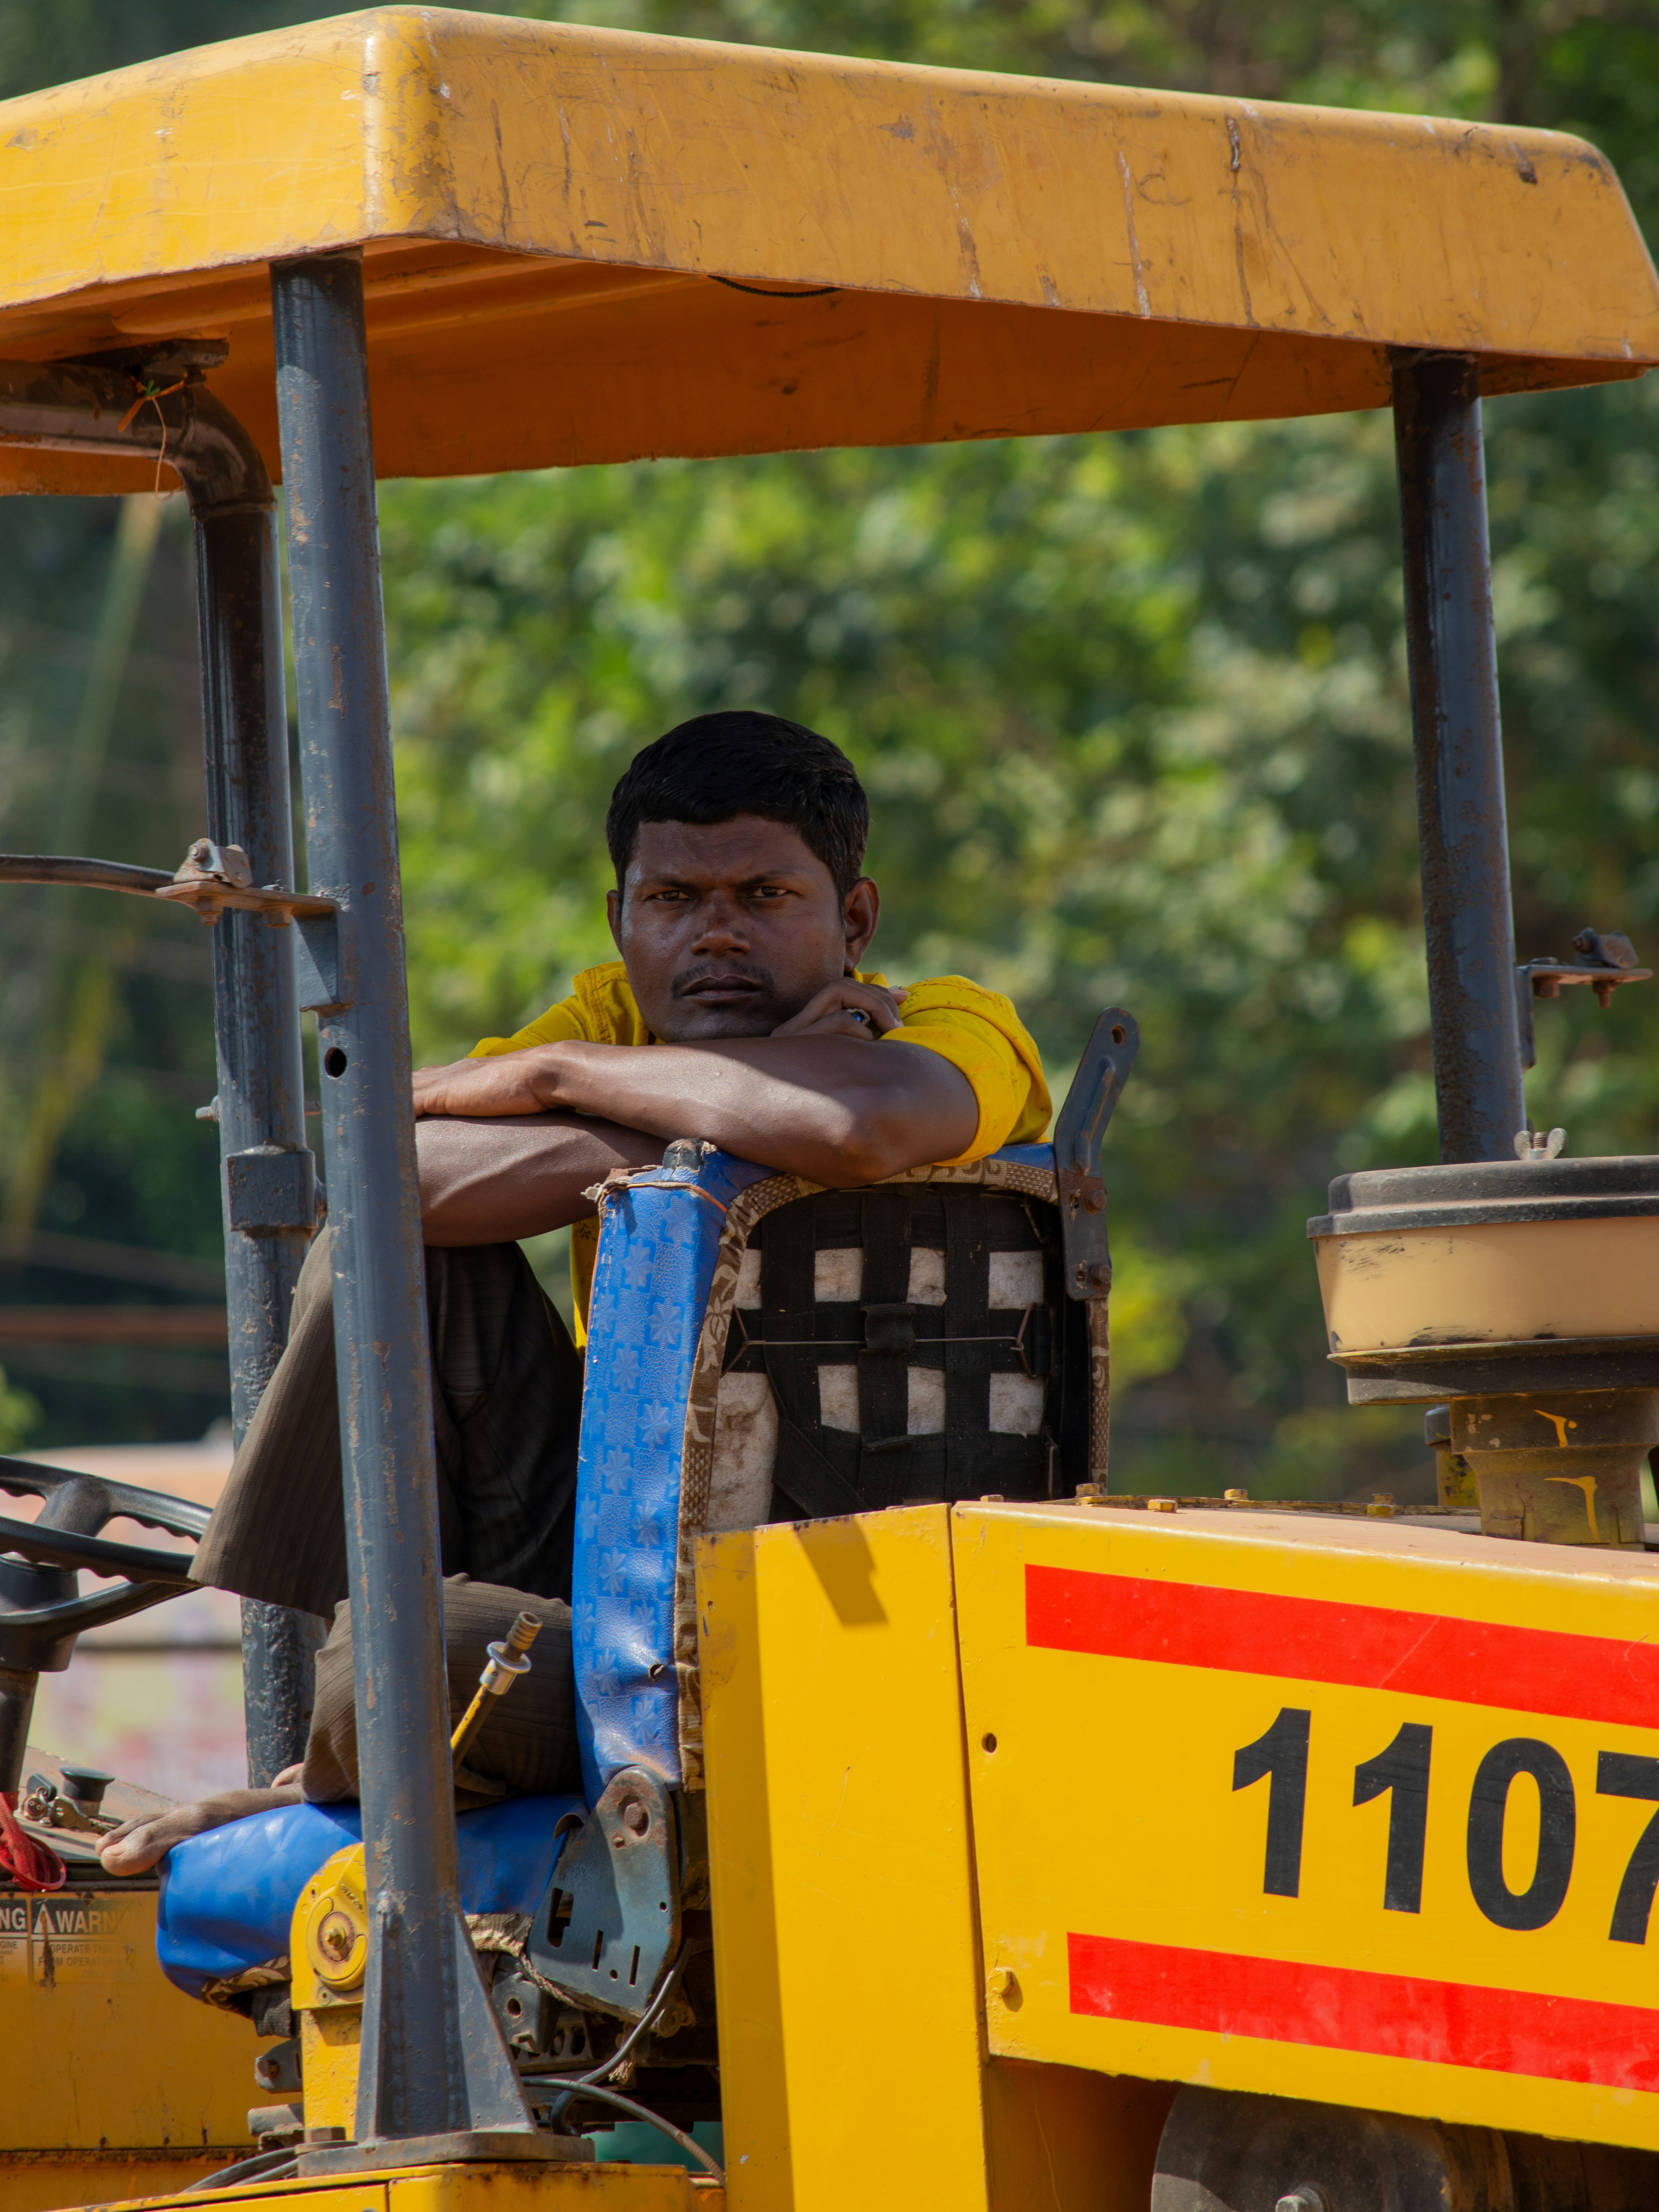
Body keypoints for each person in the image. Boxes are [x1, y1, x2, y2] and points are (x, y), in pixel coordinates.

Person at [101, 711, 1048, 1874]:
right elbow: (385, 1176)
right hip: (620, 1592)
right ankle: (339, 1730)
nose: (716, 938)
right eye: (673, 903)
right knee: (391, 1285)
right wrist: (718, 1101)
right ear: (620, 918)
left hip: (846, 1625)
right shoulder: (611, 1022)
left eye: (763, 899)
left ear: (854, 920)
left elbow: (869, 1121)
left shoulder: (951, 1021)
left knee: (410, 1673)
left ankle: (324, 1768)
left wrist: (545, 1087)